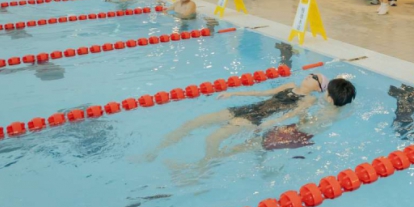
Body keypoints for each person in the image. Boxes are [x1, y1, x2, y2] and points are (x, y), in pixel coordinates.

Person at [146, 75, 356, 165]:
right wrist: (234, 94)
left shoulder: (312, 101)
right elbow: (264, 94)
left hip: (279, 129)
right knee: (195, 124)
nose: (308, 75)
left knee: (219, 142)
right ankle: (155, 151)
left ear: (324, 93)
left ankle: (202, 170)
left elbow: (294, 118)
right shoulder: (304, 93)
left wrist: (269, 124)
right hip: (260, 116)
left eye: (315, 77)